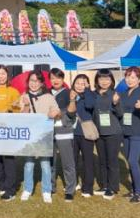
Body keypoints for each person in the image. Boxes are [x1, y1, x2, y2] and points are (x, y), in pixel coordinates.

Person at [20, 70, 61, 203]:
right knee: (28, 164)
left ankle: (46, 190)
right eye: (32, 80)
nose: (34, 84)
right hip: (30, 136)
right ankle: (27, 189)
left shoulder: (49, 97)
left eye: (37, 81)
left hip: (44, 135)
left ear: (42, 83)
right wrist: (26, 105)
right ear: (28, 82)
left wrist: (55, 113)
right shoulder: (24, 96)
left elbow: (57, 112)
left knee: (45, 164)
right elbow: (21, 117)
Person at [0, 65, 21, 201]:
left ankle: (10, 189)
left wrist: (10, 109)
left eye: (3, 74)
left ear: (8, 75)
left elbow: (18, 109)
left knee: (8, 160)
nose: (1, 77)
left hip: (8, 131)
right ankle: (0, 185)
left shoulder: (14, 91)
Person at [120, 66, 140, 203]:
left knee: (133, 161)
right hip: (126, 131)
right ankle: (134, 189)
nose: (130, 80)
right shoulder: (124, 93)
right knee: (129, 161)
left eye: (133, 77)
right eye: (127, 77)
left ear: (139, 79)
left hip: (138, 132)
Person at [92, 69, 124, 200]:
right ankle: (104, 186)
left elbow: (120, 114)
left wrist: (116, 103)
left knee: (112, 161)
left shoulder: (115, 94)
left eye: (107, 79)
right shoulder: (93, 94)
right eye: (101, 78)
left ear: (111, 81)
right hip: (99, 132)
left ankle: (112, 187)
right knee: (102, 160)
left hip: (113, 133)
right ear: (97, 80)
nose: (104, 81)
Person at [49, 68, 77, 202]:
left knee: (68, 162)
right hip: (48, 131)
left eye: (58, 78)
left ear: (63, 79)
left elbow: (72, 113)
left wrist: (69, 103)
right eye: (52, 78)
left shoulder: (68, 93)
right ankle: (50, 187)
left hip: (64, 130)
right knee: (50, 161)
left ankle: (70, 190)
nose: (55, 80)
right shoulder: (46, 93)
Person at [69, 74, 96, 198]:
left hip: (86, 133)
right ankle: (73, 183)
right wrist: (72, 99)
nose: (80, 86)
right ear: (73, 84)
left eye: (83, 83)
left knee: (88, 160)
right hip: (72, 133)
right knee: (72, 160)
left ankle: (88, 187)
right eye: (77, 83)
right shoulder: (70, 95)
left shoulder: (90, 95)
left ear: (87, 85)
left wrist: (87, 91)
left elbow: (90, 105)